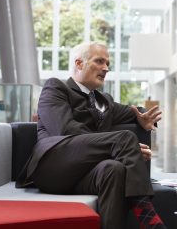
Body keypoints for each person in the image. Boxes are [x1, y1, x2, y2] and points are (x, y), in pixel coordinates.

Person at [16, 42, 167, 229]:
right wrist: (112, 147)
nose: (106, 68)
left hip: (84, 174)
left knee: (114, 169)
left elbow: (135, 112)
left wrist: (143, 118)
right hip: (52, 167)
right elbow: (64, 130)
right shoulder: (56, 88)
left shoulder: (104, 102)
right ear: (79, 63)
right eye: (100, 61)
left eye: (108, 64)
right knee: (125, 138)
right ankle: (147, 216)